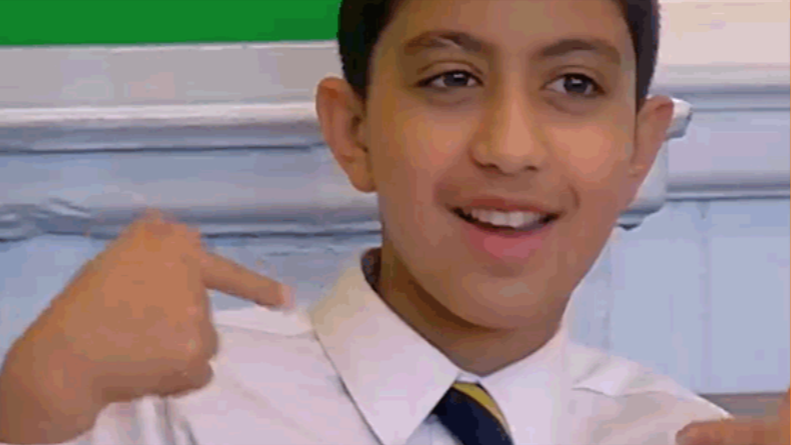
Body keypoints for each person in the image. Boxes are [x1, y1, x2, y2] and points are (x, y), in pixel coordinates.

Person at [0, 0, 787, 444]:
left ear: (638, 149)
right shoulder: (150, 413)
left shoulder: (680, 433)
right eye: (451, 78)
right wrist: (32, 408)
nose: (509, 148)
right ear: (354, 131)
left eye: (574, 84)